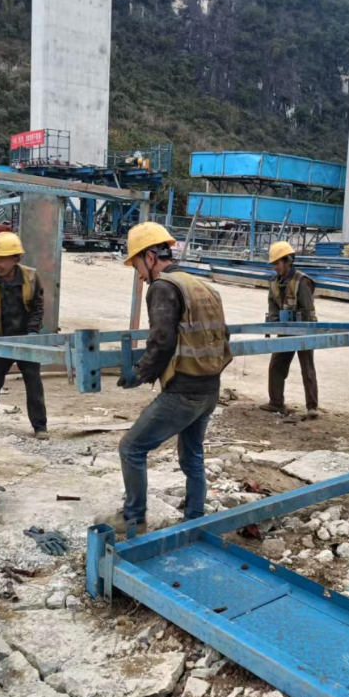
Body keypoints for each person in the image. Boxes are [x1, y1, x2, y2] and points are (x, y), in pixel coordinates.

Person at [97, 222, 232, 536]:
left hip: (183, 391)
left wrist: (139, 373)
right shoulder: (202, 286)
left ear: (149, 256)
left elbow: (162, 341)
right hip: (210, 388)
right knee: (192, 454)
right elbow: (221, 337)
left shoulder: (163, 287)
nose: (140, 276)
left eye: (137, 266)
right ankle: (194, 519)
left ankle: (133, 518)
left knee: (131, 448)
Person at [0, 231, 49, 439]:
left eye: (2, 259)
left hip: (25, 339)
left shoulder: (31, 278)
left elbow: (38, 308)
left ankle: (40, 426)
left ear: (15, 259)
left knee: (33, 382)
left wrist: (33, 331)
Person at [259, 240, 319, 419]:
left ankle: (312, 407)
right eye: (273, 264)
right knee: (277, 365)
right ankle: (276, 402)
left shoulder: (302, 281)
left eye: (277, 263)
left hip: (304, 330)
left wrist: (302, 327)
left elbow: (307, 310)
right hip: (285, 329)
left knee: (307, 368)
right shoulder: (274, 282)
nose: (275, 267)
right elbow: (272, 306)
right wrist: (274, 323)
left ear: (287, 261)